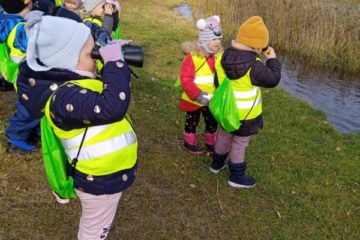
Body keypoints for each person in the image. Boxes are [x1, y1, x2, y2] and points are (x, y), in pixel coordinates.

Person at [17, 12, 137, 239]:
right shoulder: (64, 98)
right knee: (95, 229)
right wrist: (114, 62)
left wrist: (110, 57)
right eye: (91, 53)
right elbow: (113, 106)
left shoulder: (73, 86)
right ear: (70, 62)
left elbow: (109, 92)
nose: (96, 57)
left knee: (98, 222)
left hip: (105, 174)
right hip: (100, 179)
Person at [210, 16, 281, 188]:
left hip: (226, 109)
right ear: (258, 46)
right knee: (240, 142)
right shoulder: (254, 65)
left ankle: (216, 165)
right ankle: (236, 176)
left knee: (224, 136)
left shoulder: (223, 56)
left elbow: (217, 82)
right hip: (247, 115)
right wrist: (272, 59)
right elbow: (272, 79)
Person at [178, 15, 222, 154]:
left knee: (212, 122)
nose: (217, 42)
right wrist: (197, 95)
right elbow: (185, 79)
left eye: (219, 39)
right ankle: (189, 143)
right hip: (195, 98)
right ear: (205, 40)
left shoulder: (218, 56)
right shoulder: (193, 57)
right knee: (192, 121)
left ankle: (211, 143)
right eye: (214, 39)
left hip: (212, 97)